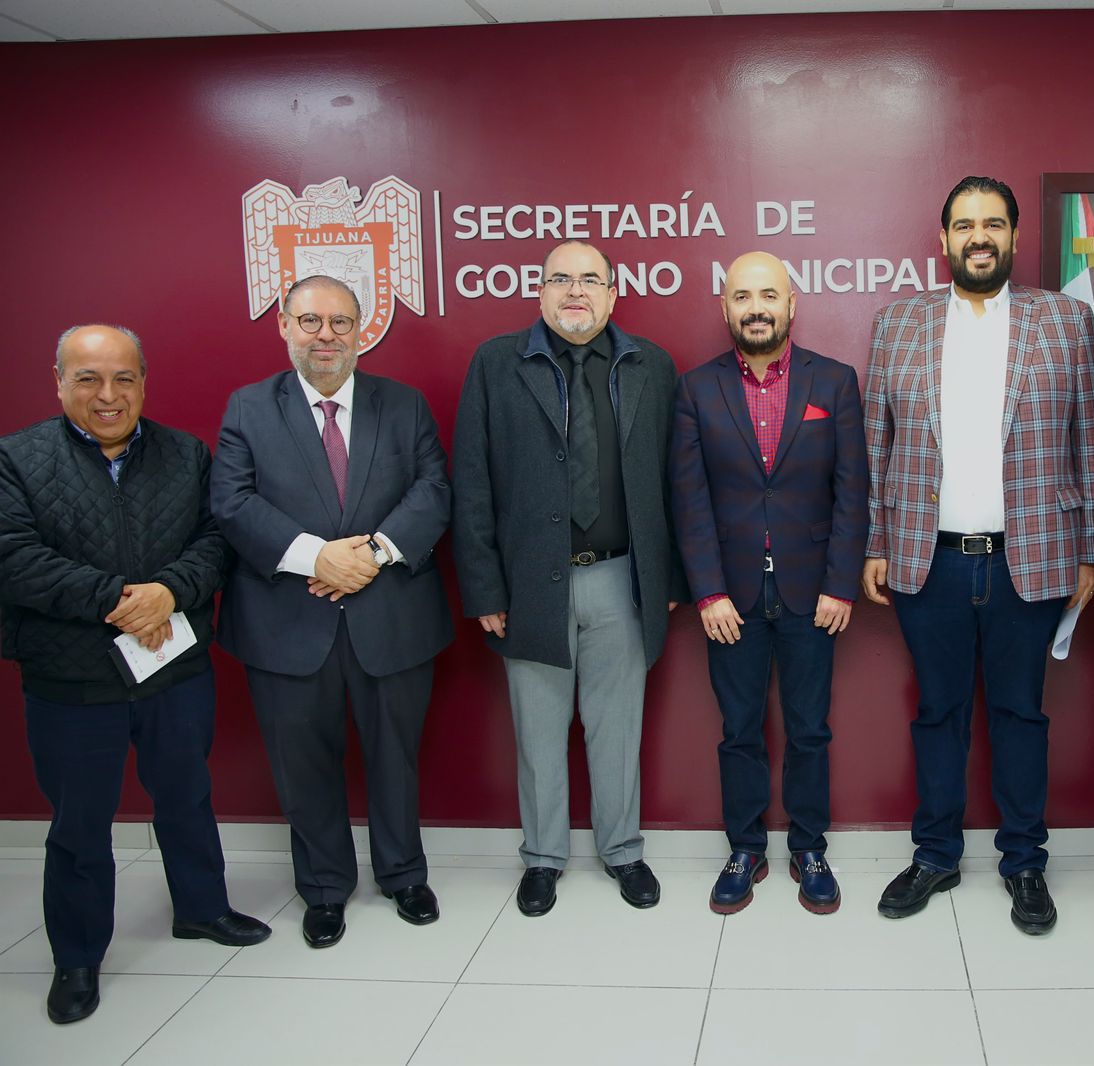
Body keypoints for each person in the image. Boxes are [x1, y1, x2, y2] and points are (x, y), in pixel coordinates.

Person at [0, 325, 270, 1024]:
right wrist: (120, 600)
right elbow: (13, 557)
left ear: (144, 381)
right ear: (58, 381)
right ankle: (78, 958)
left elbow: (217, 542)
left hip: (173, 666)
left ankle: (202, 910)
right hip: (71, 679)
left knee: (186, 795)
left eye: (123, 377)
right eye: (88, 378)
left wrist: (169, 593)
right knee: (81, 823)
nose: (108, 395)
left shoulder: (186, 454)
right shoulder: (16, 460)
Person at [861, 175, 1094, 935]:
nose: (979, 236)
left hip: (1030, 558)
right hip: (925, 560)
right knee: (937, 714)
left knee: (1019, 715)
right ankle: (934, 854)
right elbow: (878, 443)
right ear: (943, 240)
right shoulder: (898, 323)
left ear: (1014, 236)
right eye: (965, 224)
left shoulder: (1064, 321)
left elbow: (1089, 443)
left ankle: (1024, 863)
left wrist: (1090, 550)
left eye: (992, 224)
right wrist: (875, 540)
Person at [212, 276, 453, 949]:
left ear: (362, 330)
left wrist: (371, 554)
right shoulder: (248, 408)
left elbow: (435, 491)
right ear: (284, 326)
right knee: (303, 763)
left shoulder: (403, 406)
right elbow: (231, 503)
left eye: (340, 322)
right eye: (311, 321)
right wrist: (317, 557)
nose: (326, 335)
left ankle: (404, 875)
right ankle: (323, 889)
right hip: (288, 623)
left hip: (392, 615)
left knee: (395, 758)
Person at [453, 240, 685, 917]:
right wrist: (486, 588)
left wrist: (667, 574)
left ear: (613, 294)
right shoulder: (497, 363)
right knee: (538, 731)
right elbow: (470, 481)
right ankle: (544, 858)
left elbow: (675, 481)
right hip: (530, 583)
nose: (575, 291)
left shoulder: (651, 365)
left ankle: (623, 851)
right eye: (561, 279)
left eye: (590, 279)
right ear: (541, 292)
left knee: (618, 730)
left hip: (623, 579)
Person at [670, 251, 869, 915]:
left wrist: (841, 585)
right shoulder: (696, 390)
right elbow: (688, 499)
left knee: (810, 728)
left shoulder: (834, 383)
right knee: (739, 729)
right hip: (730, 598)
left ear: (791, 304)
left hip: (815, 594)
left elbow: (852, 492)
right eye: (742, 297)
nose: (756, 308)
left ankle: (809, 848)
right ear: (725, 308)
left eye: (768, 295)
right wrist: (707, 591)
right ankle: (745, 848)